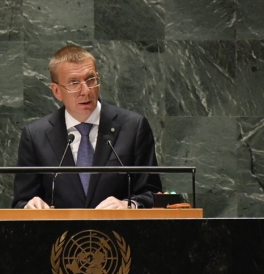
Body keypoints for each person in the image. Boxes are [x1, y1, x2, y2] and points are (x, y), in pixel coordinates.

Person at [12, 45, 162, 209]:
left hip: (119, 232)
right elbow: (21, 201)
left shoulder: (133, 127)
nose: (86, 91)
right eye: (73, 83)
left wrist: (129, 205)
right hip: (60, 234)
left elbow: (153, 194)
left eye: (91, 79)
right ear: (56, 91)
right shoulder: (35, 136)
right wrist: (30, 206)